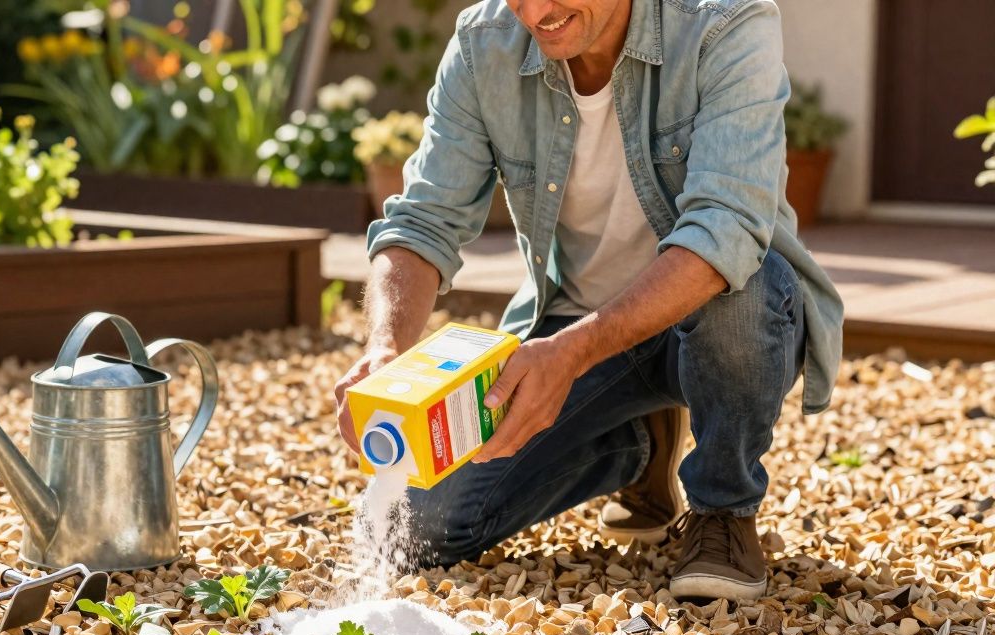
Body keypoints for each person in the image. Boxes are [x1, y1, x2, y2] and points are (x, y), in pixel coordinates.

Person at [333, 0, 843, 602]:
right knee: (421, 526)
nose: (535, 12)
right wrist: (386, 345)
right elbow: (423, 220)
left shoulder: (726, 23)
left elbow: (723, 232)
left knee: (740, 295)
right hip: (574, 324)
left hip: (716, 311)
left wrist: (570, 356)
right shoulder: (483, 44)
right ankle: (642, 445)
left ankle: (723, 511)